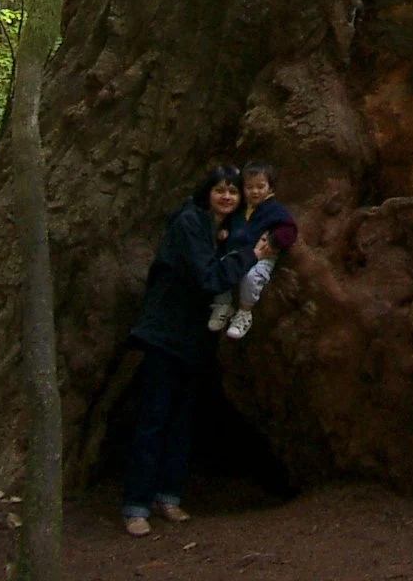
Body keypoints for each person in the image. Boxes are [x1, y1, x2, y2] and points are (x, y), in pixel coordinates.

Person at [122, 164, 276, 537]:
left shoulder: (224, 230)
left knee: (180, 419)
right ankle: (136, 505)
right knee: (154, 418)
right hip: (165, 333)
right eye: (220, 189)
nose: (226, 196)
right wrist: (252, 256)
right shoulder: (189, 223)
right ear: (207, 192)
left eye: (233, 191)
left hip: (194, 337)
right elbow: (208, 276)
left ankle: (168, 497)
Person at [208, 160, 298, 340]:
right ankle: (223, 305)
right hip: (236, 252)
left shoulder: (274, 210)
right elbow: (228, 222)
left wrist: (273, 241)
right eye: (249, 187)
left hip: (260, 257)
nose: (255, 191)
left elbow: (290, 230)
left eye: (260, 186)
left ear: (270, 188)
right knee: (219, 268)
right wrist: (223, 232)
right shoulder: (240, 208)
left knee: (252, 278)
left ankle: (244, 313)